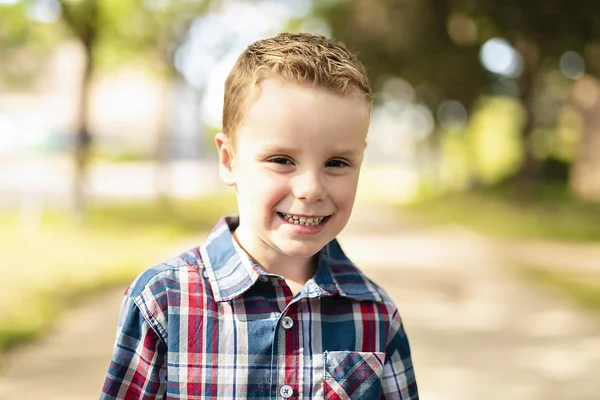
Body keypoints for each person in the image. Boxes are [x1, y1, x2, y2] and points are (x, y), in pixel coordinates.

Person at [100, 32, 418, 399]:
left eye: (337, 162)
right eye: (282, 160)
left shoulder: (375, 314)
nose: (311, 189)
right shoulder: (163, 303)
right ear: (228, 160)